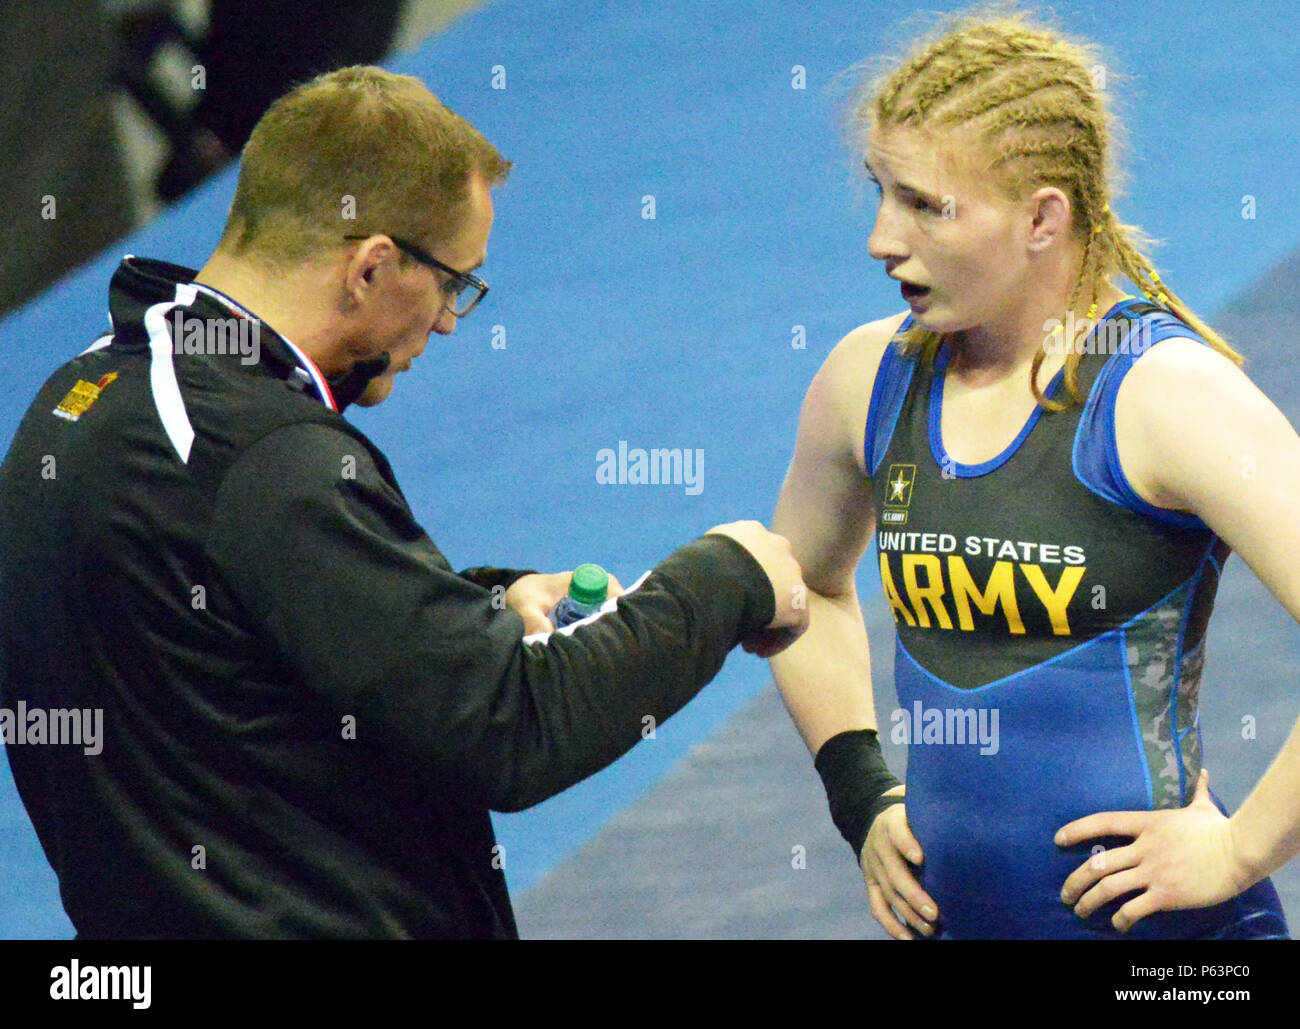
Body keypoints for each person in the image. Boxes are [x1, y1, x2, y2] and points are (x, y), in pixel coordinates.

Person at [0, 65, 808, 939]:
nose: (452, 321)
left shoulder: (83, 397)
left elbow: (234, 639)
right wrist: (725, 576)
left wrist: (484, 606)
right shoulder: (268, 457)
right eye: (454, 282)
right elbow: (513, 727)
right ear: (373, 266)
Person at [770, 8, 1300, 940]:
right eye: (880, 193)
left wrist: (1241, 850)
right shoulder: (868, 379)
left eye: (927, 206)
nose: (882, 240)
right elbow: (799, 588)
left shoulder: (1164, 396)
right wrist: (859, 789)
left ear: (1042, 218)